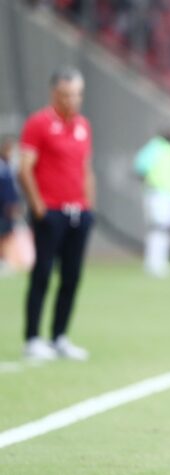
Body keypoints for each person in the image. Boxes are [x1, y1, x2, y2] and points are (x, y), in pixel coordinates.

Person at [17, 66, 94, 361]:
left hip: (78, 212)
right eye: (66, 95)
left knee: (72, 276)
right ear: (54, 94)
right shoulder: (39, 124)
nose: (72, 101)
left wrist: (89, 207)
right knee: (42, 273)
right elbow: (25, 168)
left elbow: (86, 168)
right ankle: (33, 338)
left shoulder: (83, 126)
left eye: (77, 95)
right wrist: (39, 206)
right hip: (51, 212)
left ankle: (60, 336)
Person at [134, 129, 170, 278]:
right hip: (157, 193)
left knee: (165, 229)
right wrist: (150, 183)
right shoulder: (155, 147)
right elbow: (140, 166)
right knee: (158, 228)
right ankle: (153, 262)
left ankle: (161, 261)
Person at [0, 135, 23, 273]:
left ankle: (4, 259)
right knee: (2, 234)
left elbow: (13, 189)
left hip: (9, 207)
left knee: (8, 233)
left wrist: (15, 203)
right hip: (2, 207)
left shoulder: (11, 167)